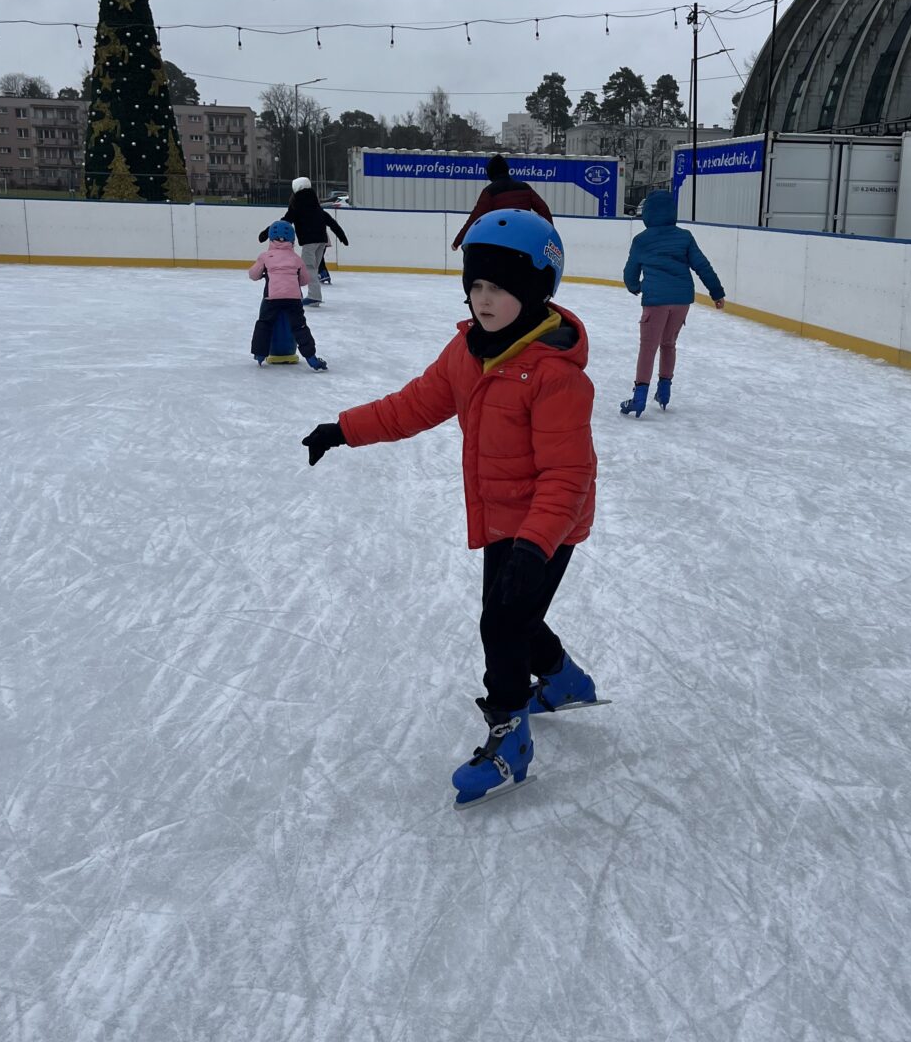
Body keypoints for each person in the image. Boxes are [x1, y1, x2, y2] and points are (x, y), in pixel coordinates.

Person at [301, 209, 599, 809]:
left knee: (502, 620)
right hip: (499, 516)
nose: (484, 299)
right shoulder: (467, 352)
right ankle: (566, 681)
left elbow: (568, 475)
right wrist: (344, 430)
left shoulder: (555, 377)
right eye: (476, 285)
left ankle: (511, 737)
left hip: (549, 520)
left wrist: (535, 545)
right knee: (514, 613)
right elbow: (414, 404)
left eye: (501, 288)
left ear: (537, 290)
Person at [620, 189, 726, 417]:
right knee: (668, 344)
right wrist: (716, 292)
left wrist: (636, 287)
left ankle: (639, 398)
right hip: (681, 300)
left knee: (648, 348)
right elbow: (702, 266)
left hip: (656, 300)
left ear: (647, 213)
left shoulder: (641, 240)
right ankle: (664, 392)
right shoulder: (684, 237)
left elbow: (630, 272)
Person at [248, 220, 327, 371]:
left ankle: (259, 355)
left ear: (271, 238)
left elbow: (253, 274)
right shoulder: (296, 258)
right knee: (300, 327)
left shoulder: (265, 256)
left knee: (264, 323)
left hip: (272, 297)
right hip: (293, 299)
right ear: (292, 239)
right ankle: (312, 358)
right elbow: (305, 280)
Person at [258, 177, 348, 306]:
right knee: (313, 268)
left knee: (308, 268)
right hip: (321, 242)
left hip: (309, 242)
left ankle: (314, 296)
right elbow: (331, 222)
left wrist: (266, 233)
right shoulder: (315, 206)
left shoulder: (297, 206)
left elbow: (284, 221)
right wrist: (342, 237)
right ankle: (313, 295)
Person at [450, 154, 554, 251]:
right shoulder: (525, 187)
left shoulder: (489, 192)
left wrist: (457, 242)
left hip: (501, 244)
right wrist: (551, 235)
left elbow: (474, 219)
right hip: (524, 243)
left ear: (491, 173)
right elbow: (543, 209)